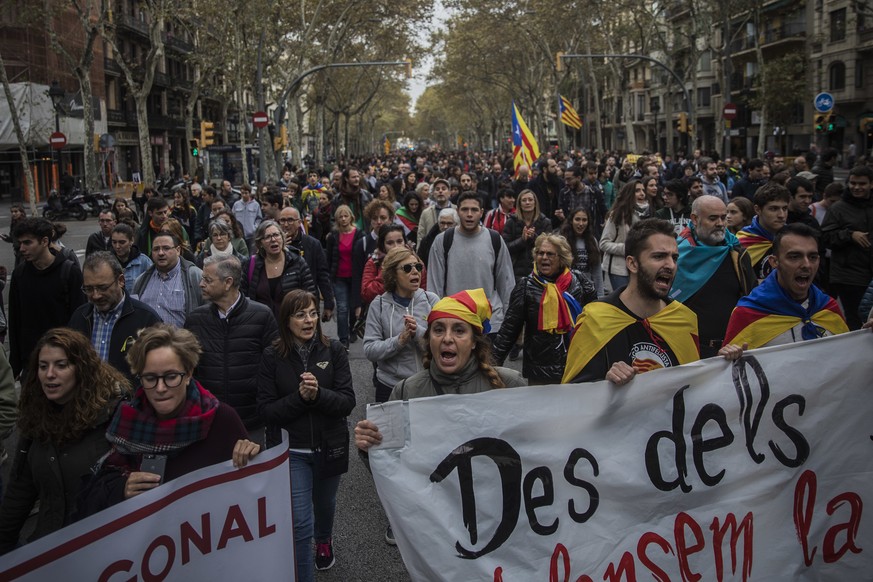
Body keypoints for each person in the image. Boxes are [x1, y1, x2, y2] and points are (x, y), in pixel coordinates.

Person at [77, 325, 259, 517]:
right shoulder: (124, 420)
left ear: (188, 374)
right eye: (150, 378)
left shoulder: (222, 419)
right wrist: (121, 488)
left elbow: (253, 489)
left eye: (171, 377)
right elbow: (91, 497)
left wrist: (252, 455)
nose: (161, 388)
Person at [563, 219, 744, 384]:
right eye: (659, 257)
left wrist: (720, 365)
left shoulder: (683, 319)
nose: (671, 266)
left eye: (674, 258)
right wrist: (605, 383)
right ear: (632, 264)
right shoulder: (595, 320)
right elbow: (577, 399)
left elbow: (693, 387)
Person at [0, 328, 129, 553]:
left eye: (61, 365)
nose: (50, 374)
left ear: (82, 369)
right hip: (48, 549)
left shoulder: (114, 416)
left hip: (102, 550)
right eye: (43, 366)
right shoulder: (36, 419)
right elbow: (20, 491)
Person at [257, 290, 355, 578]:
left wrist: (317, 395)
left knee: (325, 506)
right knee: (300, 522)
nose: (309, 319)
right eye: (300, 314)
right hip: (293, 452)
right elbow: (266, 411)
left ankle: (324, 540)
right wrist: (300, 398)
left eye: (313, 312)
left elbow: (347, 402)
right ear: (286, 320)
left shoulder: (333, 350)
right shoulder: (271, 355)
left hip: (330, 446)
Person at [185, 255, 278, 442]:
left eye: (208, 280)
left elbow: (275, 366)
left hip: (251, 422)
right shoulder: (195, 319)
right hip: (208, 421)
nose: (201, 284)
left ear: (228, 282)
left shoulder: (261, 316)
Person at [492, 234, 596, 384]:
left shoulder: (579, 281)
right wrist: (491, 366)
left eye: (550, 254)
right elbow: (509, 329)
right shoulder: (526, 286)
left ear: (561, 258)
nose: (544, 257)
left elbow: (595, 320)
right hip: (540, 371)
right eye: (540, 253)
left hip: (576, 365)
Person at [724, 223, 849, 348]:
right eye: (795, 257)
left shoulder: (828, 309)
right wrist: (728, 357)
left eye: (812, 257)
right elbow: (731, 365)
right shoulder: (748, 313)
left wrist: (866, 338)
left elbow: (848, 355)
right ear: (774, 262)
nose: (807, 265)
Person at [669, 196, 756, 358]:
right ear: (695, 219)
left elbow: (751, 298)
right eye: (713, 218)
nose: (721, 224)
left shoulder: (736, 253)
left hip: (731, 348)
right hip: (687, 349)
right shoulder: (675, 255)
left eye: (723, 217)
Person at [427, 192, 516, 337]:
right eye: (464, 209)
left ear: (481, 212)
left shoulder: (495, 239)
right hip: (454, 321)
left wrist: (510, 321)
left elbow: (506, 283)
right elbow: (434, 285)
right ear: (458, 212)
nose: (469, 214)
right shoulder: (442, 240)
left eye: (474, 210)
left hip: (490, 323)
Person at [8, 218, 86, 378]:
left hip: (64, 361)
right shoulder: (20, 274)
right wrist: (15, 366)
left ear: (44, 241)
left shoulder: (69, 272)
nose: (21, 248)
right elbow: (15, 321)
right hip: (31, 364)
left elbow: (80, 319)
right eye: (20, 243)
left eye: (27, 243)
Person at [68, 252, 162, 382]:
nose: (96, 295)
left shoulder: (147, 319)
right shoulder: (80, 317)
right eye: (88, 289)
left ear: (121, 281)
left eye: (103, 288)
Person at [363, 247, 440, 402]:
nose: (415, 272)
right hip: (390, 386)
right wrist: (399, 341)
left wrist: (418, 332)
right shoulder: (378, 305)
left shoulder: (432, 301)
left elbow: (443, 345)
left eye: (418, 267)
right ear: (393, 275)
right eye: (407, 268)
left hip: (427, 384)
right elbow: (370, 350)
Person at [820, 165, 873, 330]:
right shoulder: (838, 209)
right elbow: (826, 237)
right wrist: (850, 235)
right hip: (848, 275)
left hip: (870, 273)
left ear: (871, 184)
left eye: (862, 184)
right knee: (855, 319)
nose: (857, 187)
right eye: (853, 183)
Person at [240, 220, 315, 319]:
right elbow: (243, 297)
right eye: (267, 237)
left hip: (292, 325)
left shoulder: (297, 261)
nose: (273, 239)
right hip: (262, 326)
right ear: (260, 243)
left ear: (283, 238)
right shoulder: (250, 264)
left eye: (276, 235)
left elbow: (310, 295)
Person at [132, 233, 204, 327]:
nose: (161, 253)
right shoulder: (140, 281)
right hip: (148, 340)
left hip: (183, 340)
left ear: (178, 250)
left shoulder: (195, 276)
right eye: (156, 249)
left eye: (166, 248)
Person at [279, 206, 335, 321]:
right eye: (282, 220)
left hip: (308, 301)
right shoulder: (274, 245)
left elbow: (323, 275)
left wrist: (329, 304)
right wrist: (280, 248)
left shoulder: (312, 244)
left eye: (290, 220)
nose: (285, 224)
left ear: (299, 222)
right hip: (283, 302)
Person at [326, 205, 364, 348]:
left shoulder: (359, 234)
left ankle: (352, 329)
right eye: (340, 217)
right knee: (342, 308)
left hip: (355, 277)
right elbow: (328, 258)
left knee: (354, 307)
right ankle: (343, 340)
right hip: (339, 277)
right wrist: (329, 278)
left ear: (351, 217)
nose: (343, 219)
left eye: (345, 216)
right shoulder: (333, 236)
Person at [737, 182, 790, 281]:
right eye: (774, 209)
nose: (781, 215)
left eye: (785, 208)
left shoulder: (793, 238)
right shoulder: (741, 243)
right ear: (757, 209)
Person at [599, 180, 643, 292]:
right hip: (618, 270)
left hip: (635, 269)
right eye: (637, 190)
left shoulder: (639, 215)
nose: (642, 193)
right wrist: (627, 248)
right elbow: (603, 244)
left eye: (643, 190)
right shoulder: (617, 215)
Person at [502, 189, 553, 282]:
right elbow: (505, 247)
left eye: (530, 200)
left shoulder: (545, 222)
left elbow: (550, 248)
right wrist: (522, 240)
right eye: (524, 200)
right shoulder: (511, 222)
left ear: (535, 202)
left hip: (540, 271)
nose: (527, 202)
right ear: (519, 204)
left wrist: (534, 238)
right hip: (515, 271)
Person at [561, 207, 603, 297]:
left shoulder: (592, 241)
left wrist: (600, 296)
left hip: (588, 290)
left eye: (584, 220)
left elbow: (597, 271)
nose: (581, 223)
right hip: (568, 291)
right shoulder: (563, 240)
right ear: (571, 221)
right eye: (577, 219)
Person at [416, 178, 454, 247]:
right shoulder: (426, 212)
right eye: (437, 189)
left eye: (443, 189)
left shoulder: (457, 210)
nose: (440, 191)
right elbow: (421, 235)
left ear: (449, 193)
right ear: (433, 193)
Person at [232, 185, 263, 252]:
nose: (244, 195)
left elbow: (259, 218)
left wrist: (254, 228)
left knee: (252, 253)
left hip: (251, 235)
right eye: (242, 193)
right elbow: (233, 217)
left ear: (249, 193)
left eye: (246, 193)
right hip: (239, 234)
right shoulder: (236, 204)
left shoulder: (256, 204)